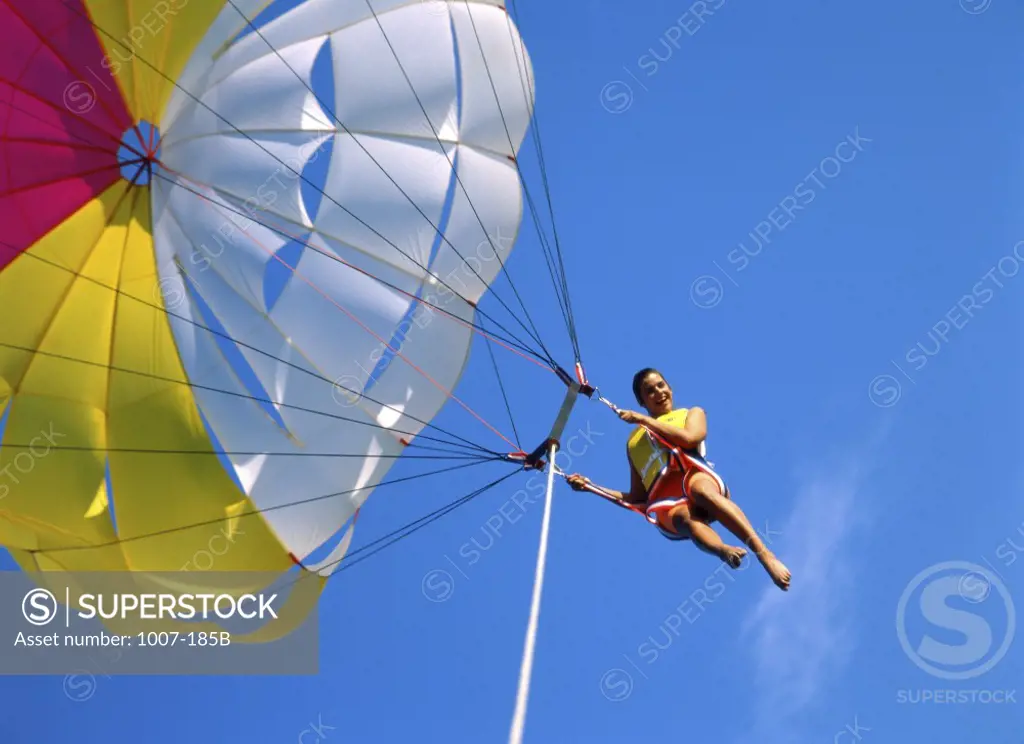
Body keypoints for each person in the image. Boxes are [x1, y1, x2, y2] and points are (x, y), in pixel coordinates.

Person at [566, 368, 791, 591]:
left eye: (661, 386)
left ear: (670, 388)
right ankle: (723, 550)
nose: (658, 392)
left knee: (700, 491)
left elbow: (690, 439)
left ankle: (765, 555)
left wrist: (644, 420)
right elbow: (637, 498)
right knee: (684, 519)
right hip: (668, 501)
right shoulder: (633, 442)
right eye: (650, 391)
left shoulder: (692, 413)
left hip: (693, 475)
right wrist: (592, 487)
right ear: (641, 401)